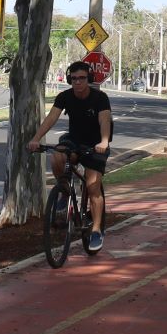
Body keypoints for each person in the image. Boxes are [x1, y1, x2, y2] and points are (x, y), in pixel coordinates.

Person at [27, 61, 112, 253]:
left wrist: (104, 142)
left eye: (82, 78)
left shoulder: (100, 98)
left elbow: (104, 120)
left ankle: (97, 231)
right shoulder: (65, 97)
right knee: (57, 155)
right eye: (74, 79)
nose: (78, 82)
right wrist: (36, 138)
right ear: (69, 79)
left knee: (92, 187)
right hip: (74, 140)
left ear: (88, 79)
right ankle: (64, 191)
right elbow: (51, 118)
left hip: (95, 145)